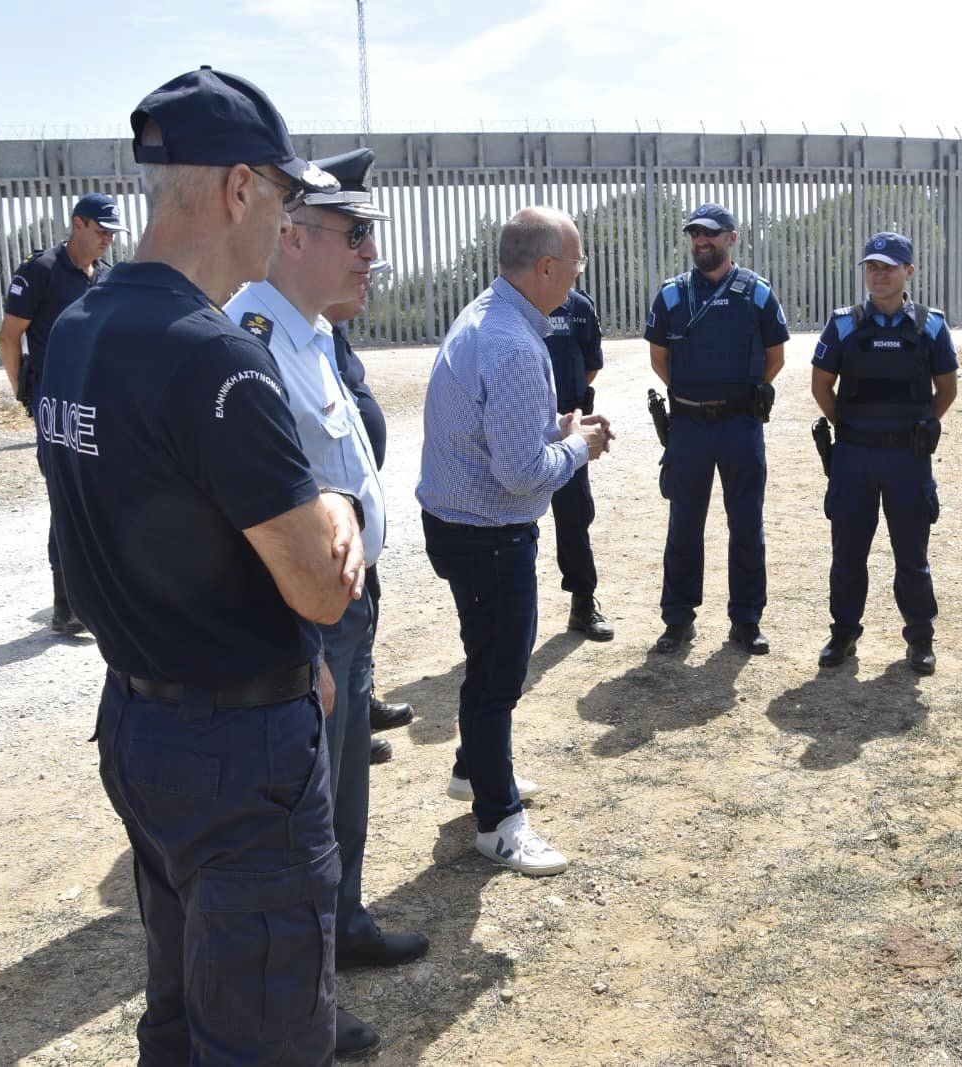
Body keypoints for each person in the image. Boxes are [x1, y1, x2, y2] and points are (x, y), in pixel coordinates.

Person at [37, 67, 384, 1061]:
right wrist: (332, 506)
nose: (285, 229)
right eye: (281, 201)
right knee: (265, 1031)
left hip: (142, 722)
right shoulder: (217, 354)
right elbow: (318, 580)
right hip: (237, 756)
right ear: (239, 189)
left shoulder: (82, 327)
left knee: (183, 1012)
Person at [227, 147, 429, 976]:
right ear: (292, 235)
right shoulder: (253, 337)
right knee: (305, 805)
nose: (369, 253)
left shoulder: (309, 334)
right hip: (304, 616)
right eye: (354, 234)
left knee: (344, 785)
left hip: (344, 603)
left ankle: (339, 925)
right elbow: (253, 519)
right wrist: (304, 641)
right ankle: (305, 962)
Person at [418, 206, 611, 876]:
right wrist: (579, 447)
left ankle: (477, 768)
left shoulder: (486, 316)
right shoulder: (518, 345)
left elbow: (495, 429)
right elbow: (522, 473)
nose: (581, 271)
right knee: (499, 673)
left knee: (485, 659)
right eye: (577, 260)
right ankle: (498, 821)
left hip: (457, 525)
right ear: (547, 267)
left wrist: (551, 427)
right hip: (490, 535)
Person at [811, 231, 957, 671]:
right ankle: (843, 634)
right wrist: (849, 426)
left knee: (911, 554)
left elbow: (946, 389)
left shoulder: (931, 324)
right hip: (854, 457)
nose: (879, 275)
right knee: (848, 553)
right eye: (872, 267)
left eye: (889, 267)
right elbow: (822, 385)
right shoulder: (843, 323)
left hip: (907, 459)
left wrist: (917, 425)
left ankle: (920, 638)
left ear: (908, 271)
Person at [647, 203, 788, 655]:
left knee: (746, 525)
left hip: (740, 425)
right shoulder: (671, 296)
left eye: (709, 233)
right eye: (694, 234)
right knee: (683, 524)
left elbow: (775, 356)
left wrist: (737, 397)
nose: (700, 241)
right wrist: (695, 397)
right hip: (688, 426)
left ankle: (746, 620)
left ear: (732, 237)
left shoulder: (758, 293)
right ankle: (678, 619)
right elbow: (659, 360)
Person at [0, 192, 126, 634]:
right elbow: (9, 336)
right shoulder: (42, 271)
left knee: (103, 497)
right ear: (78, 223)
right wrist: (24, 393)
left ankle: (94, 595)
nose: (108, 238)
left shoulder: (106, 278)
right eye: (101, 229)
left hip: (99, 407)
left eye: (113, 232)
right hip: (56, 407)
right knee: (69, 499)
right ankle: (66, 605)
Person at [324, 293, 416, 762]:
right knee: (336, 640)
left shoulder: (330, 332)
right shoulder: (290, 333)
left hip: (356, 518)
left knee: (364, 621)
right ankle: (347, 729)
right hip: (329, 527)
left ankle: (361, 707)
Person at [545, 288, 614, 640]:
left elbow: (590, 365)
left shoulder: (580, 307)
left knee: (574, 515)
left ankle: (582, 604)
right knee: (505, 521)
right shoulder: (513, 303)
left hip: (568, 424)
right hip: (516, 422)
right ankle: (496, 618)